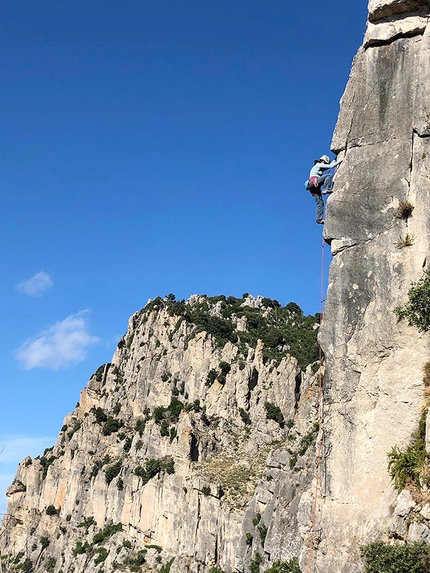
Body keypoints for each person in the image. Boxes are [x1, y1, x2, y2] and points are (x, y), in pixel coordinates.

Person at [306, 155, 341, 224]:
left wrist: (334, 160)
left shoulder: (318, 166)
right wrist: (340, 160)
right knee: (329, 176)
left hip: (312, 186)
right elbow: (330, 166)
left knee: (320, 203)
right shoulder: (318, 165)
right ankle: (326, 189)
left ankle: (319, 219)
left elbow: (329, 166)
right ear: (323, 161)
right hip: (314, 182)